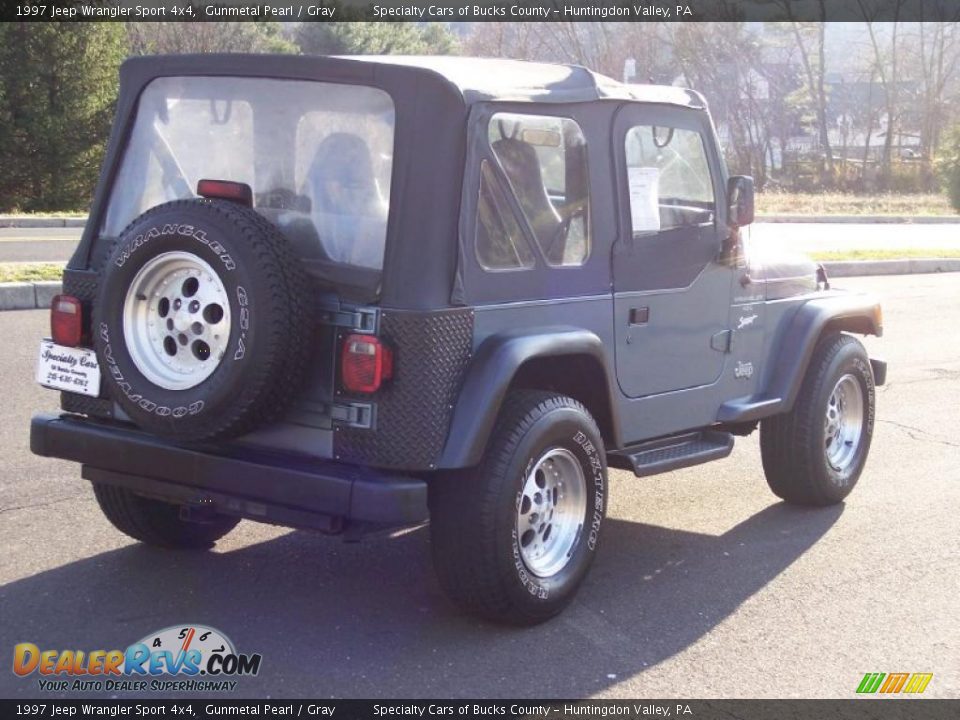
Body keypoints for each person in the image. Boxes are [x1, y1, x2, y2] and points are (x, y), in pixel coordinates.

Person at [304, 132, 388, 268]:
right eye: (338, 176)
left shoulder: (385, 231)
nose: (346, 189)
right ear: (319, 180)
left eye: (356, 183)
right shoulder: (297, 226)